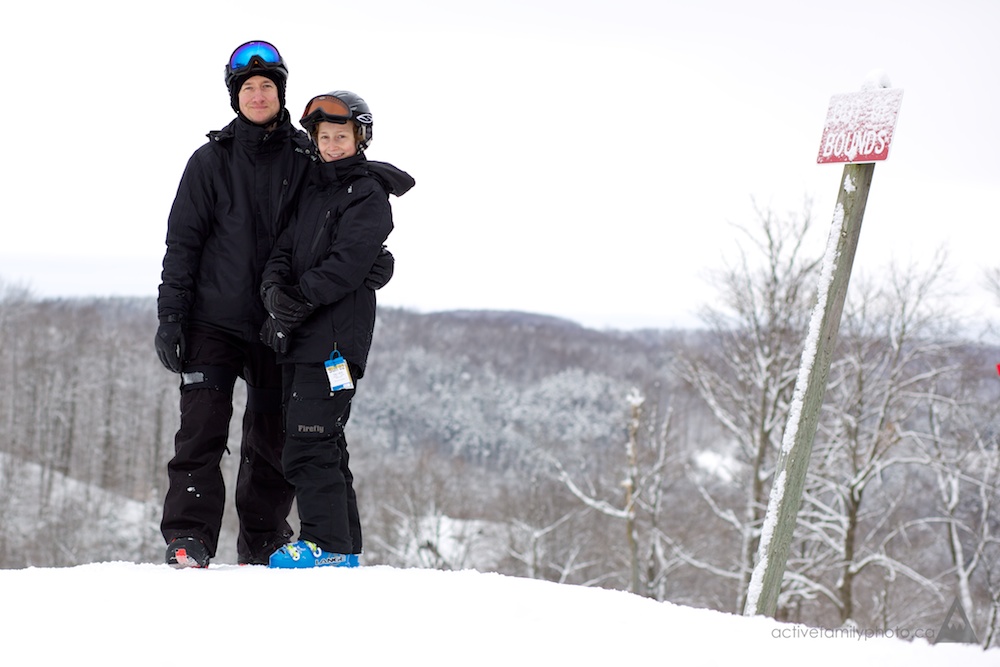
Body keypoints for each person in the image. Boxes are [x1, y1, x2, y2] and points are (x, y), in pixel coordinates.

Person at [154, 41, 394, 568]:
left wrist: (374, 264)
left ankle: (263, 540)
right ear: (235, 97)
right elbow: (182, 244)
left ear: (280, 93)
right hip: (211, 323)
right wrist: (171, 315)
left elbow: (341, 211)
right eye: (248, 87)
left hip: (280, 323)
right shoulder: (209, 162)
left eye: (267, 86)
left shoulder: (308, 155)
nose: (258, 95)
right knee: (201, 430)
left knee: (269, 440)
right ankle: (188, 539)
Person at [259, 90, 414, 568]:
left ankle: (324, 543)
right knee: (323, 440)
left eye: (340, 136)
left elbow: (347, 266)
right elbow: (282, 251)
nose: (331, 145)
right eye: (323, 137)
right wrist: (273, 292)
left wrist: (298, 298)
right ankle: (343, 550)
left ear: (360, 138)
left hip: (333, 341)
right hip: (304, 338)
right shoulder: (313, 190)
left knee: (308, 440)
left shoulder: (368, 195)